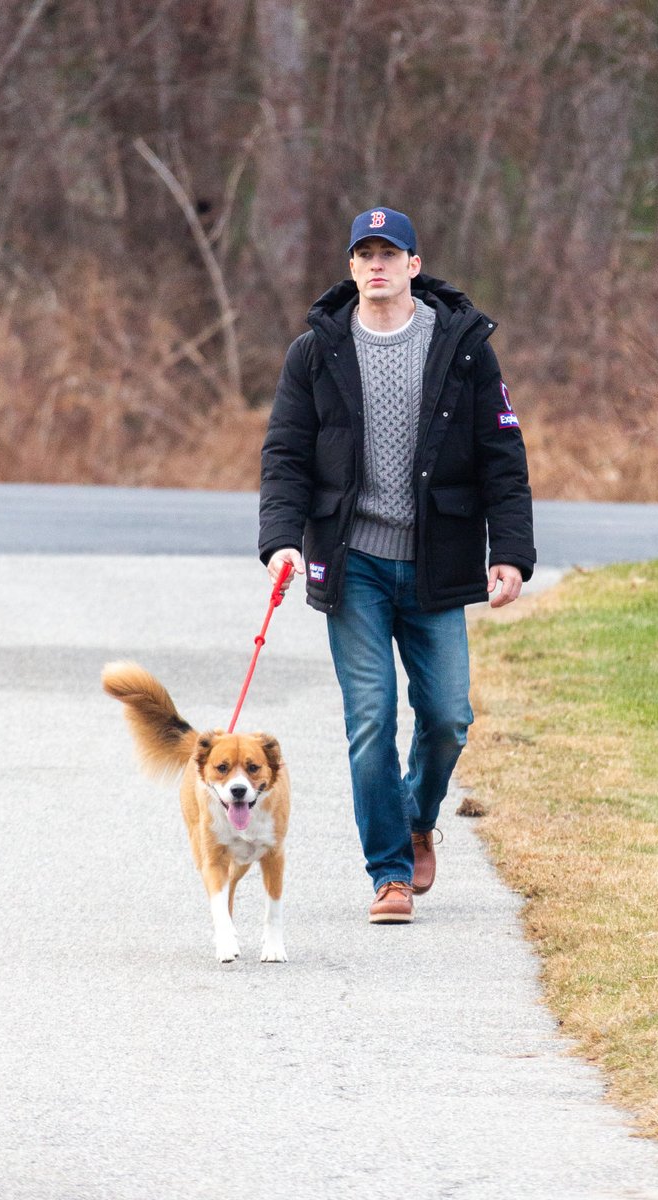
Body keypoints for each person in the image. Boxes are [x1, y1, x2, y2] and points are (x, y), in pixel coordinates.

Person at [259, 206, 535, 924]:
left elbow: (504, 457)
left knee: (447, 717)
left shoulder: (464, 348)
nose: (376, 265)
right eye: (364, 254)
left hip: (437, 561)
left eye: (390, 253)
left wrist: (509, 553)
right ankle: (389, 873)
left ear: (414, 265)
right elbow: (286, 454)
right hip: (353, 565)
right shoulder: (316, 351)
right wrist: (282, 539)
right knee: (371, 716)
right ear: (351, 268)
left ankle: (418, 817)